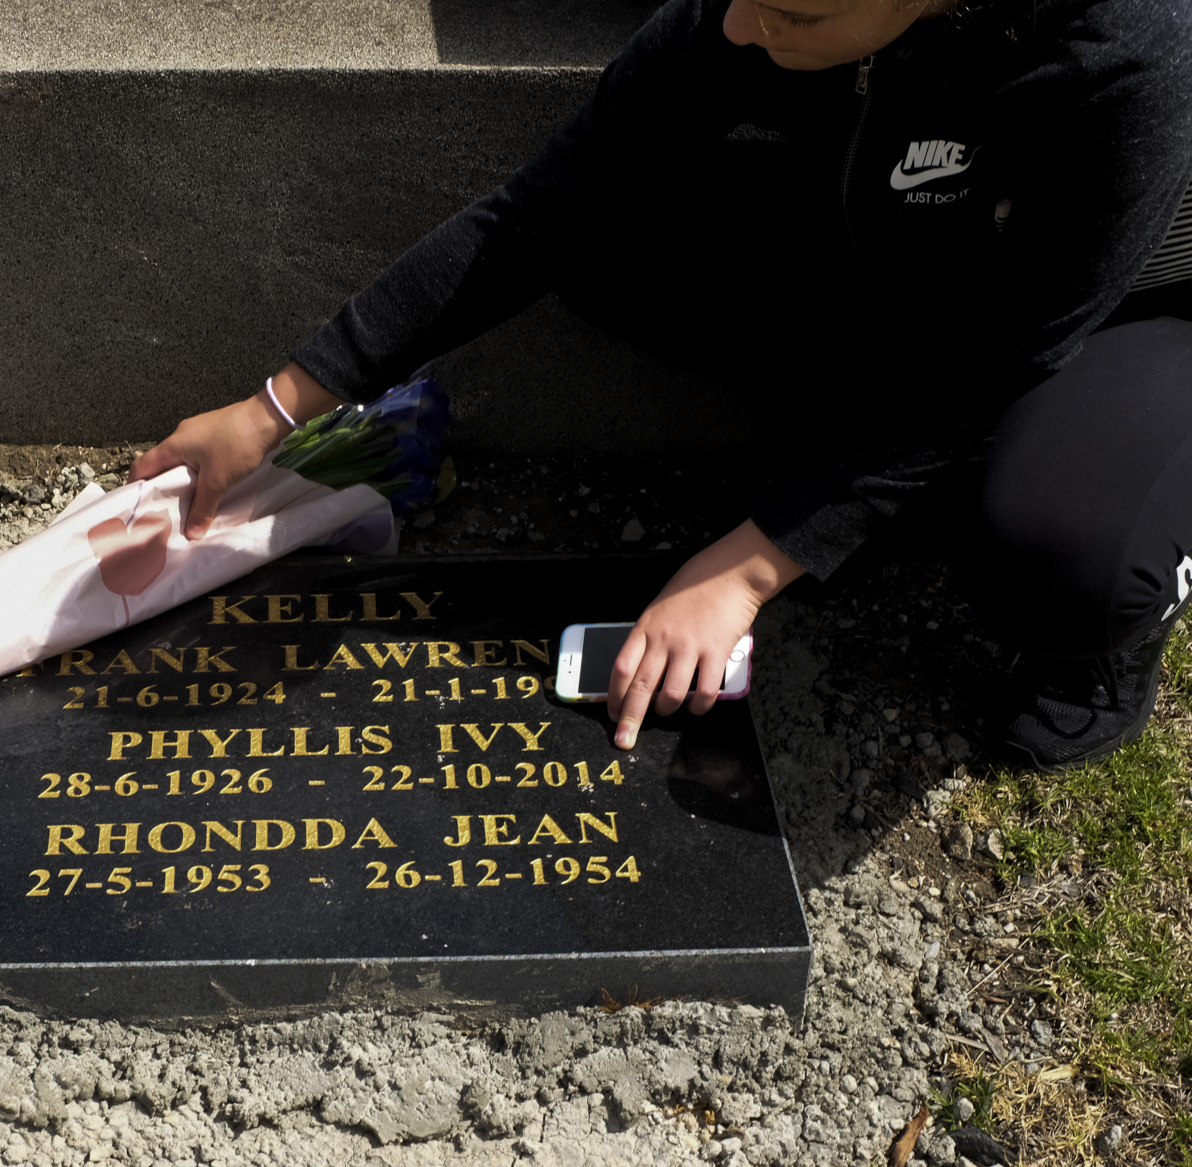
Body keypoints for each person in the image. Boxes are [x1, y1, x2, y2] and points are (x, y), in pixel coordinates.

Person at [134, 0, 1192, 773]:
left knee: (1062, 554)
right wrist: (275, 406)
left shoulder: (1128, 52)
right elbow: (541, 209)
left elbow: (994, 358)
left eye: (787, 14)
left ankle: (1093, 629)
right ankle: (872, 487)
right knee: (604, 241)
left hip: (1126, 313)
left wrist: (741, 570)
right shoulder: (754, 6)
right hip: (919, 252)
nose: (733, 27)